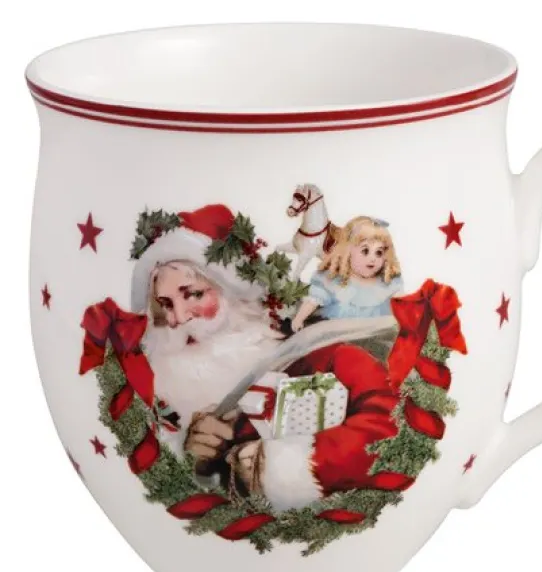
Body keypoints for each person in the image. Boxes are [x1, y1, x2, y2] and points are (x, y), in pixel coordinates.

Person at [132, 204, 400, 511]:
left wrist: (280, 465)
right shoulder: (154, 386)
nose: (178, 318)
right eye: (165, 304)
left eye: (193, 294)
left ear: (231, 289)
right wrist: (196, 455)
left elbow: (385, 432)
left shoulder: (309, 355)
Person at [291, 216, 404, 332]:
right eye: (365, 251)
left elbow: (402, 307)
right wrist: (299, 319)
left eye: (379, 253)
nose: (372, 259)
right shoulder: (334, 280)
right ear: (348, 251)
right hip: (340, 334)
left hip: (377, 335)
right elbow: (313, 301)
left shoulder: (387, 283)